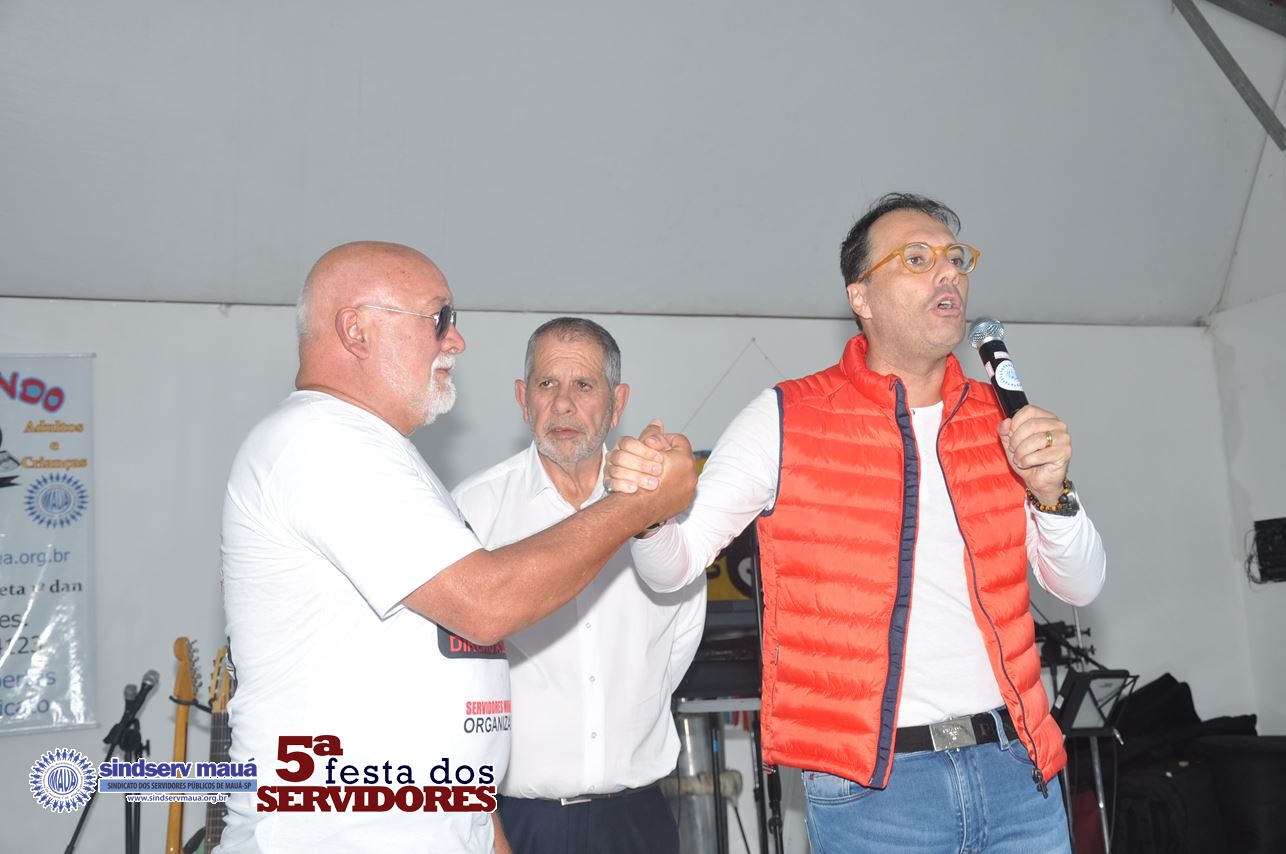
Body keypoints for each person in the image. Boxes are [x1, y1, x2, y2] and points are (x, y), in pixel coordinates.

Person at [607, 193, 1107, 853]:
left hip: (1018, 773)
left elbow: (1080, 585)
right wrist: (645, 514)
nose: (948, 273)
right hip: (878, 794)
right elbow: (673, 568)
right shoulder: (787, 418)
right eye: (917, 259)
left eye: (956, 259)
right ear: (861, 297)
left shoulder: (1004, 419)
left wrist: (1051, 492)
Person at [217, 243, 695, 854]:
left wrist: (481, 830)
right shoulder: (318, 443)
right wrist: (638, 507)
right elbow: (485, 605)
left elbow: (447, 667)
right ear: (356, 330)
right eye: (438, 318)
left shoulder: (387, 458)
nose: (457, 341)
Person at [451, 317, 705, 854]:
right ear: (523, 399)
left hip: (640, 820)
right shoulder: (472, 512)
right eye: (547, 383)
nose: (563, 404)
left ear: (618, 403)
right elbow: (447, 686)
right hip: (515, 824)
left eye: (584, 385)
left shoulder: (661, 510)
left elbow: (679, 643)